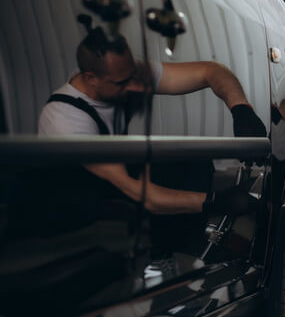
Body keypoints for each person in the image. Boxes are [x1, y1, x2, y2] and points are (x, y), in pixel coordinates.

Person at [37, 15, 265, 216]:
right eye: (122, 82)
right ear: (91, 78)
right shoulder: (65, 119)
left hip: (112, 182)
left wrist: (241, 109)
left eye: (133, 75)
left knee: (191, 161)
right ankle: (160, 258)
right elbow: (143, 195)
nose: (135, 87)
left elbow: (210, 71)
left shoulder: (120, 75)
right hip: (72, 212)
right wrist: (215, 202)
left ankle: (179, 252)